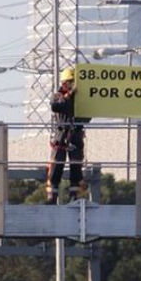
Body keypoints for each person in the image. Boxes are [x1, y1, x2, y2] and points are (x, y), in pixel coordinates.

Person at [46, 67, 89, 205]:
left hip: (75, 134)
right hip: (61, 136)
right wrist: (70, 95)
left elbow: (87, 116)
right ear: (65, 83)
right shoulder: (58, 96)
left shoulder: (80, 99)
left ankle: (75, 196)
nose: (73, 85)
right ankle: (52, 197)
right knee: (56, 166)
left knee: (76, 166)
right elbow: (56, 106)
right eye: (71, 82)